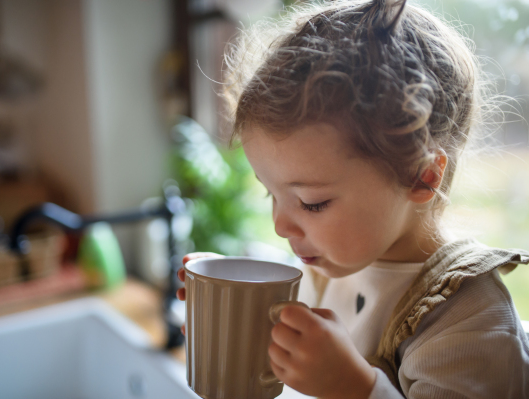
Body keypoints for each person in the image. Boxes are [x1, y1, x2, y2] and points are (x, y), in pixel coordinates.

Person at [176, 0, 529, 397]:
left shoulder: (467, 319)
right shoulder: (338, 261)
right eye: (269, 192)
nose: (279, 225)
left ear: (422, 176)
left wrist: (356, 387)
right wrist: (234, 311)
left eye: (311, 203)